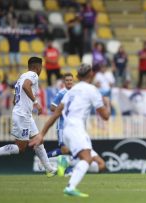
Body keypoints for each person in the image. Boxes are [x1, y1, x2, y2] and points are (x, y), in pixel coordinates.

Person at [29, 63, 110, 197]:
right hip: (76, 128)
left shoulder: (71, 91)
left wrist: (42, 133)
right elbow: (106, 116)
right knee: (86, 159)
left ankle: (68, 166)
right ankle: (70, 185)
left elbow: (56, 113)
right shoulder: (92, 90)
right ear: (91, 74)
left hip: (67, 129)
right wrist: (106, 103)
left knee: (101, 164)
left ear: (77, 76)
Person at [0, 57, 56, 177]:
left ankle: (49, 169)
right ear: (38, 67)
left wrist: (20, 102)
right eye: (41, 68)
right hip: (22, 115)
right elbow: (26, 86)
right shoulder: (33, 75)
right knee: (21, 148)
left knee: (38, 140)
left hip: (24, 114)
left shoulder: (22, 76)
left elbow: (15, 95)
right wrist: (36, 102)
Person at [46, 73, 106, 176]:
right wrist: (63, 111)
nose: (69, 82)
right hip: (62, 126)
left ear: (73, 81)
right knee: (64, 149)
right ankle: (46, 157)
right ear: (64, 82)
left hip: (75, 126)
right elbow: (52, 107)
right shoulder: (61, 93)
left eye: (70, 80)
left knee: (71, 149)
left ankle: (64, 169)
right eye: (67, 80)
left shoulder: (76, 93)